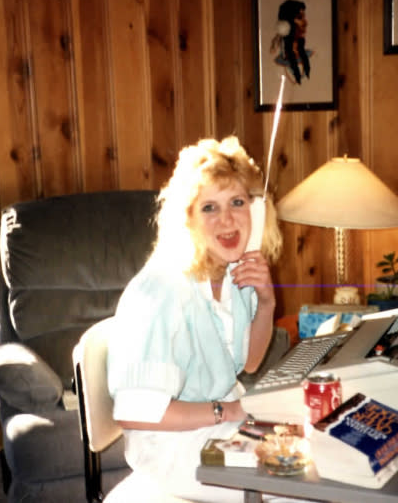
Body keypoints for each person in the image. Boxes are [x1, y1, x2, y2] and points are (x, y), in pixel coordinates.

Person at [105, 136, 304, 502]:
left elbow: (249, 361)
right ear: (188, 219)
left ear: (257, 213)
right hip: (169, 444)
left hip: (219, 422)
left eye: (238, 203)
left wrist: (266, 304)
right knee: (300, 486)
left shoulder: (231, 272)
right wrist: (227, 410)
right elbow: (136, 413)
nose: (227, 219)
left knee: (316, 450)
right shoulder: (160, 290)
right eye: (209, 207)